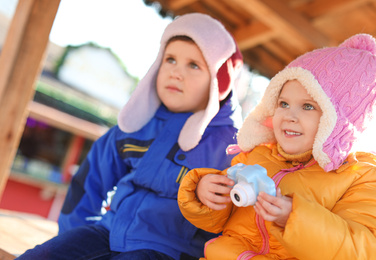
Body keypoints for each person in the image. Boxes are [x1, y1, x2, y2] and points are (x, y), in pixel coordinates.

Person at [17, 13, 243, 260]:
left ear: (219, 81)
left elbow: (237, 222)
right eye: (170, 59)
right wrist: (72, 237)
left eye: (193, 65)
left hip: (166, 250)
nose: (176, 72)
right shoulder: (137, 123)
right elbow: (90, 180)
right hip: (107, 231)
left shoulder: (229, 148)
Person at [178, 33, 376, 260]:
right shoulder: (257, 155)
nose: (290, 116)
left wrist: (295, 218)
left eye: (308, 106)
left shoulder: (362, 176)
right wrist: (205, 194)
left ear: (341, 121)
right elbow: (217, 220)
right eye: (284, 103)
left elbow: (368, 249)